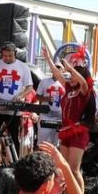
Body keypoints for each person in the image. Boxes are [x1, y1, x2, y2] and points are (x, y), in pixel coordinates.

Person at [40, 46, 94, 182]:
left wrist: (71, 68)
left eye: (73, 75)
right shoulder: (69, 89)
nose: (71, 77)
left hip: (78, 131)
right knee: (65, 168)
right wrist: (47, 58)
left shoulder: (84, 91)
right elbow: (57, 74)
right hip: (66, 130)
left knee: (74, 170)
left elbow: (82, 80)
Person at [0, 43, 34, 147]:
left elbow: (29, 87)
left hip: (13, 108)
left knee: (13, 137)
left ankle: (14, 162)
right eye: (5, 55)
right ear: (1, 54)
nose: (7, 58)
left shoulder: (23, 67)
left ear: (15, 54)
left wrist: (21, 95)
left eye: (10, 56)